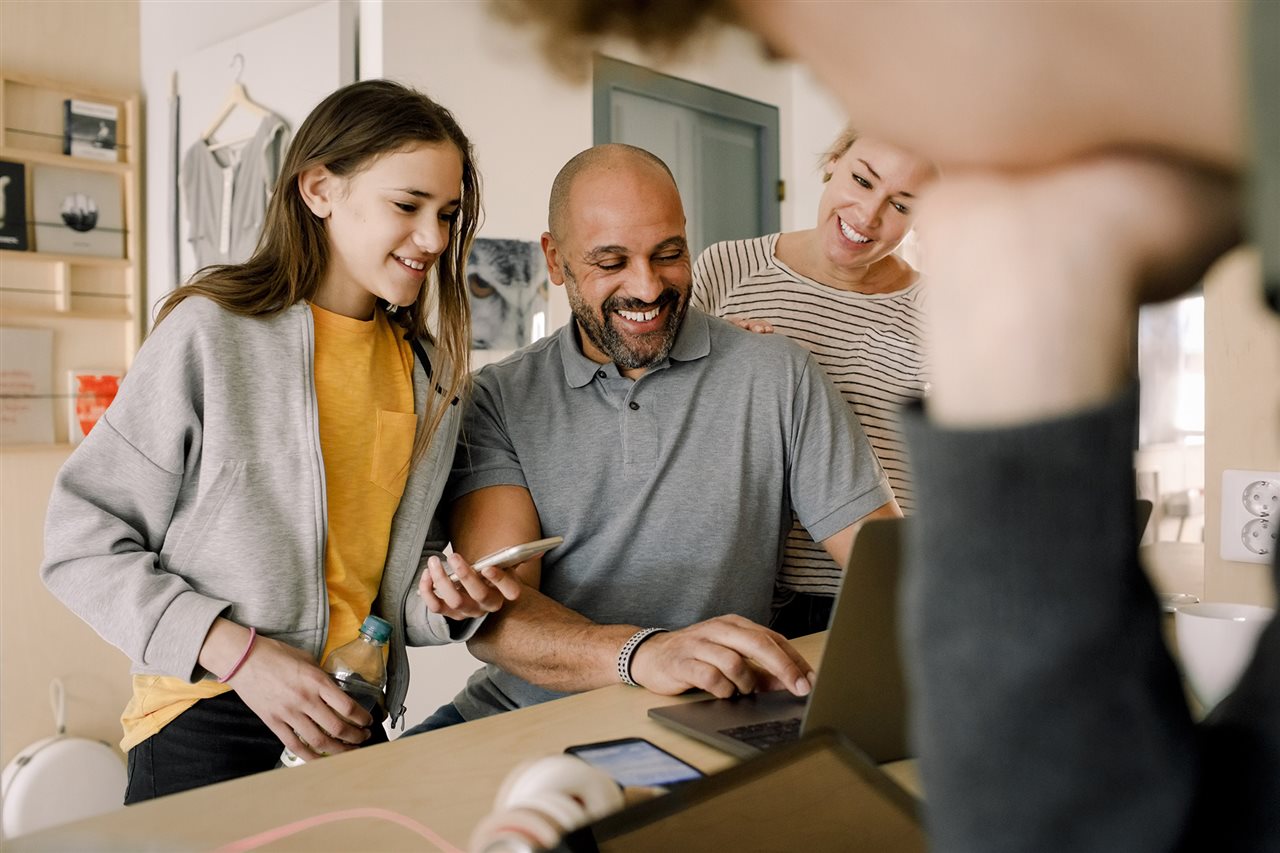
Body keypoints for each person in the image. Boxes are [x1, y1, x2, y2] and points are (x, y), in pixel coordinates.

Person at [493, 1, 1278, 851]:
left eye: (910, 195)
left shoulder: (927, 306)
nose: (873, 212)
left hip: (879, 570)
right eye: (866, 174)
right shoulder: (722, 282)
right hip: (792, 603)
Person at [40, 79, 521, 803]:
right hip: (204, 714)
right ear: (321, 189)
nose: (436, 239)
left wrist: (449, 598)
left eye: (448, 214)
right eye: (408, 205)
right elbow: (80, 541)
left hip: (347, 719)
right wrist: (244, 656)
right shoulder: (210, 333)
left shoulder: (430, 375)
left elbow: (387, 574)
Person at [407, 143, 900, 732]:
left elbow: (889, 565)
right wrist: (644, 653)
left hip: (702, 717)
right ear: (556, 259)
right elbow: (501, 620)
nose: (646, 288)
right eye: (610, 263)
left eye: (668, 254)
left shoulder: (777, 374)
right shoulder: (497, 398)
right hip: (519, 714)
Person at [692, 130, 937, 637]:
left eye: (901, 204)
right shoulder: (727, 269)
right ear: (833, 161)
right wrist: (705, 369)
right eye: (861, 180)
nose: (868, 215)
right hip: (736, 596)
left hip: (872, 594)